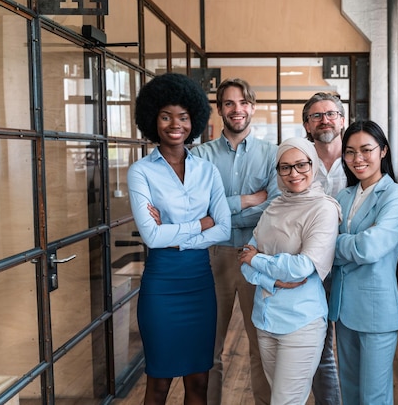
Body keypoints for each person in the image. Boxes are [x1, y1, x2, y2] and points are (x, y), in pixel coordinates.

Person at [127, 72, 231, 404]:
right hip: (161, 285)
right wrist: (201, 223)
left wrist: (174, 235)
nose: (176, 124)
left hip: (200, 284)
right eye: (166, 116)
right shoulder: (141, 171)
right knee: (158, 383)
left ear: (194, 120)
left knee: (198, 381)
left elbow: (225, 228)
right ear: (152, 120)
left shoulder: (208, 171)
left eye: (183, 117)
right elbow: (151, 236)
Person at [190, 78, 277, 405]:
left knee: (262, 348)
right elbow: (197, 207)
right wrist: (249, 200)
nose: (236, 110)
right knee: (209, 349)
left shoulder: (272, 154)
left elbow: (274, 206)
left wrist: (221, 212)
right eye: (229, 103)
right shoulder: (200, 155)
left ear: (252, 107)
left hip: (257, 255)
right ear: (220, 110)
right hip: (213, 257)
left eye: (242, 103)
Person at [239, 137, 341, 404]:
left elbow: (303, 267)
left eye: (301, 165)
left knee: (285, 401)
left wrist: (258, 261)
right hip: (265, 317)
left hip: (301, 322)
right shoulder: (275, 206)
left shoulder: (324, 208)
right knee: (281, 398)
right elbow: (244, 260)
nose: (293, 174)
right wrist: (272, 281)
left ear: (314, 164)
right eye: (285, 167)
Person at [329, 120, 398, 404]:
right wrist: (352, 243)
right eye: (350, 152)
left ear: (383, 151)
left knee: (374, 396)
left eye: (366, 150)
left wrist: (335, 245)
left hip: (377, 310)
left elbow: (370, 248)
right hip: (343, 307)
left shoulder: (396, 196)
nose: (357, 158)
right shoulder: (343, 195)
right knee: (349, 392)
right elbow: (351, 245)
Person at [302, 92, 347, 405]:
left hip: (351, 265)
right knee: (319, 347)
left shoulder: (362, 158)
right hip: (313, 268)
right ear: (307, 124)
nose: (324, 120)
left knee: (351, 346)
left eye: (331, 113)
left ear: (342, 120)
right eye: (316, 116)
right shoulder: (299, 160)